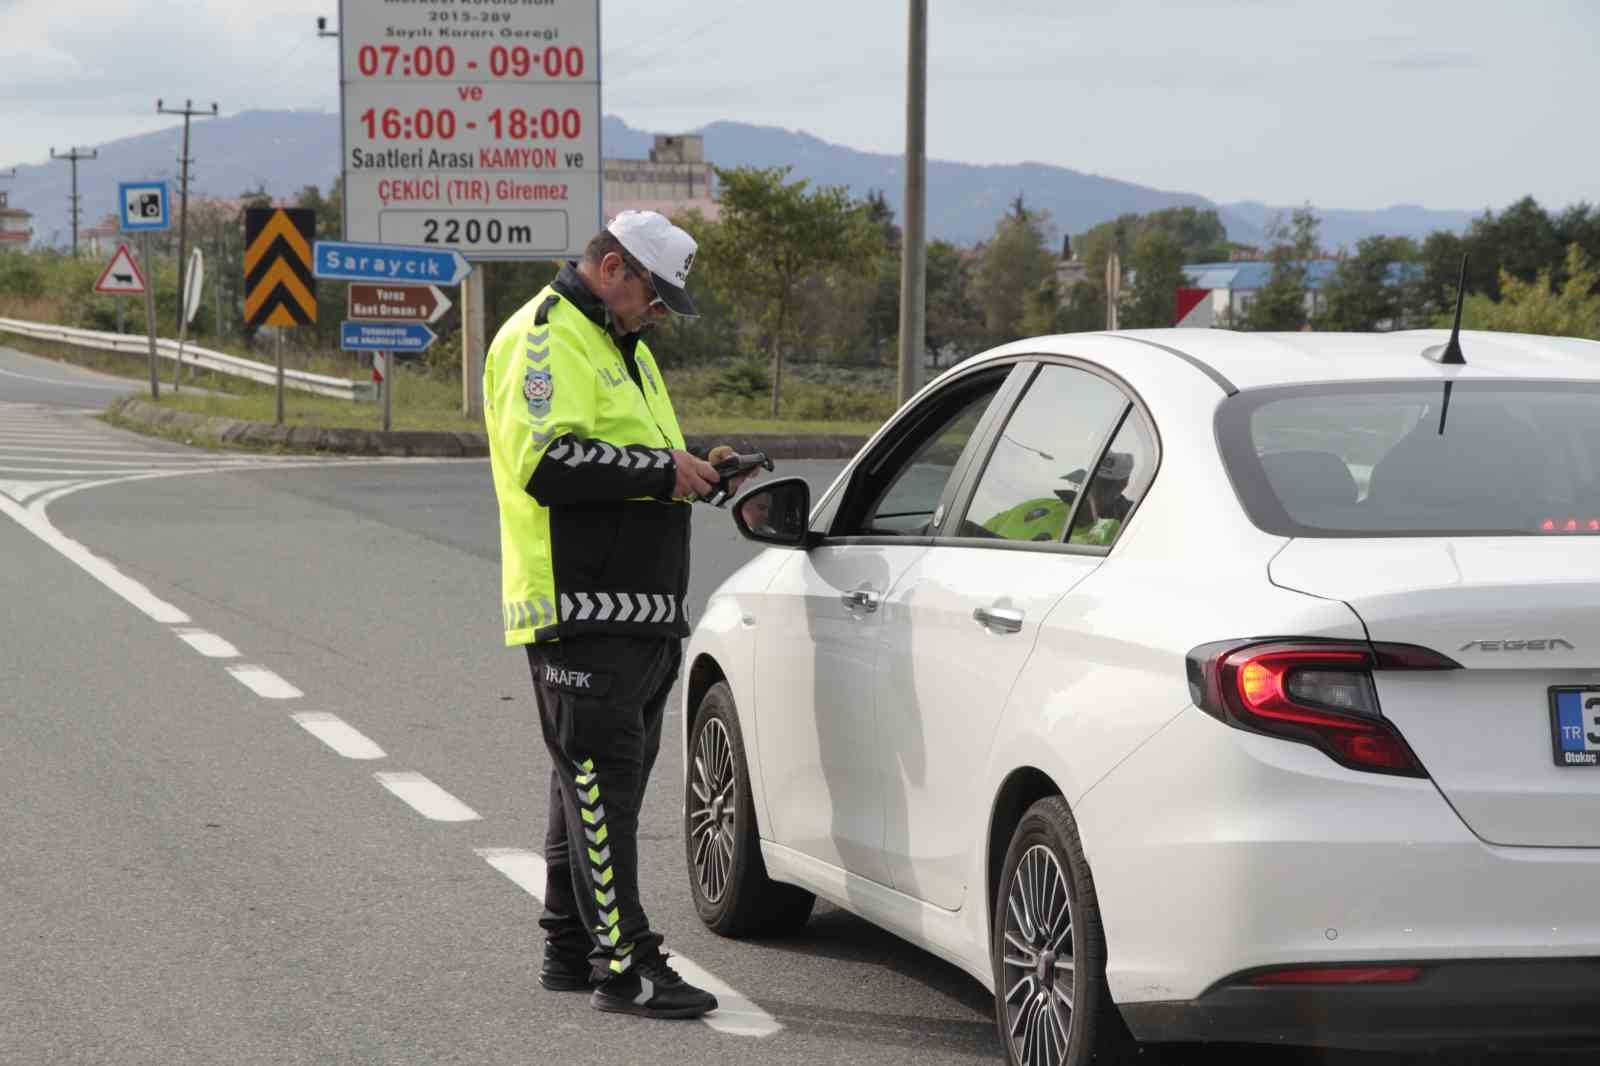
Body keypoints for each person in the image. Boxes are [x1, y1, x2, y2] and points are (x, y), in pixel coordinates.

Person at [481, 210, 752, 1021]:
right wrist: (662, 471)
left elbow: (636, 456)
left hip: (637, 608)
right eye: (656, 297)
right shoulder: (544, 335)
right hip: (578, 603)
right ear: (611, 269)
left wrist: (700, 465)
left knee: (590, 791)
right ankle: (627, 964)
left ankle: (568, 946)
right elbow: (546, 461)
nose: (660, 314)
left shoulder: (618, 348)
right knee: (601, 790)